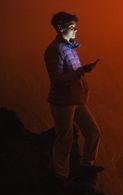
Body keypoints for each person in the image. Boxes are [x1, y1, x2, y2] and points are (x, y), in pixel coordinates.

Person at [44, 11, 104, 183]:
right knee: (65, 137)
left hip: (75, 100)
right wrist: (82, 72)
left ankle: (87, 164)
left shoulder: (68, 46)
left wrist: (83, 84)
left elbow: (74, 75)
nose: (76, 30)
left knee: (93, 132)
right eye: (72, 27)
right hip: (62, 103)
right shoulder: (54, 51)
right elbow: (57, 79)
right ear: (60, 28)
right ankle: (61, 175)